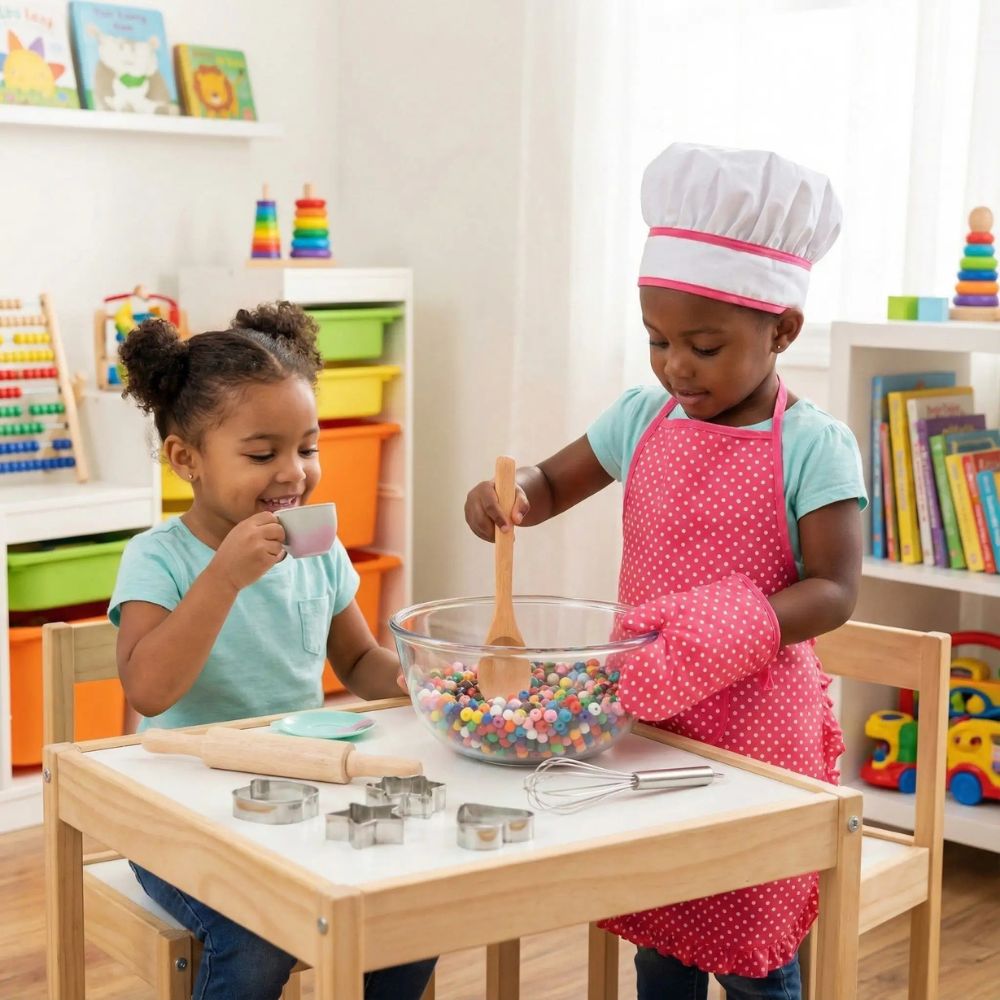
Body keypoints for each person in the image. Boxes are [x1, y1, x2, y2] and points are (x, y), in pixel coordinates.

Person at [465, 143, 866, 1000]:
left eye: (705, 346)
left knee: (756, 944)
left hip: (762, 729)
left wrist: (737, 623)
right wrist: (510, 498)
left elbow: (835, 589)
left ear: (781, 331)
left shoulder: (814, 444)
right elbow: (550, 482)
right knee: (666, 928)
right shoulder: (643, 417)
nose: (676, 366)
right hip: (650, 711)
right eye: (657, 341)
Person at [110, 302, 435, 1000]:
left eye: (308, 448)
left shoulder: (316, 549)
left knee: (411, 918)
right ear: (185, 459)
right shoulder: (156, 559)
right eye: (263, 454)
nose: (294, 474)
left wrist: (423, 677)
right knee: (258, 940)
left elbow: (359, 663)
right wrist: (223, 575)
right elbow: (148, 690)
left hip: (293, 794)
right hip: (177, 811)